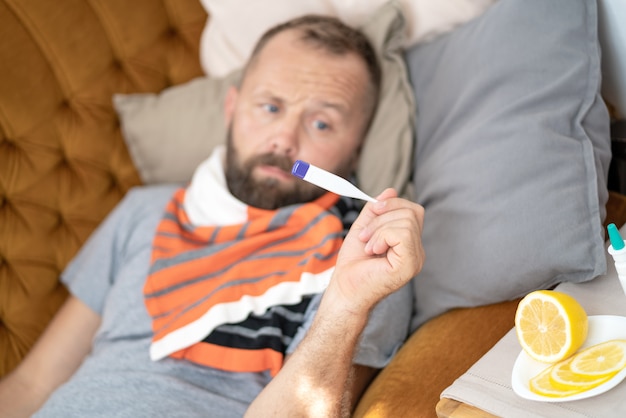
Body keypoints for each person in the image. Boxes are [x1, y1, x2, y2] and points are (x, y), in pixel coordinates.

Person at [0, 15, 424, 418]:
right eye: (271, 108)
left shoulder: (370, 257)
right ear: (232, 108)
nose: (284, 140)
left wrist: (345, 305)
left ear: (357, 149)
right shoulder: (144, 210)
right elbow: (34, 384)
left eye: (321, 124)